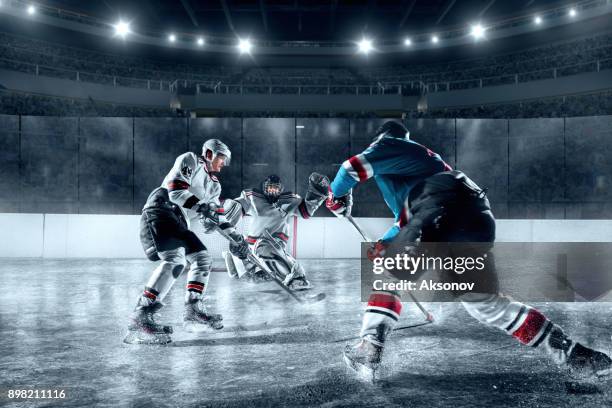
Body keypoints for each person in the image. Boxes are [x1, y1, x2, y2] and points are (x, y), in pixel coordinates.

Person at [327, 120, 611, 380]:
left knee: (387, 275)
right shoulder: (426, 167)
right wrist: (388, 247)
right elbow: (411, 222)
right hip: (472, 215)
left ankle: (369, 346)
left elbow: (350, 168)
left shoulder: (390, 143)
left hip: (438, 207)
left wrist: (337, 196)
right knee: (485, 304)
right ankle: (578, 356)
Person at [124, 139, 249, 344]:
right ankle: (142, 313)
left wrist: (236, 238)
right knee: (176, 260)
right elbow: (176, 191)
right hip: (161, 207)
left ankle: (193, 309)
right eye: (220, 158)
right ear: (209, 154)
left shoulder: (215, 186)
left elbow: (216, 217)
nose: (222, 164)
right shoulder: (190, 160)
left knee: (202, 259)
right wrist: (202, 207)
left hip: (180, 220)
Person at [222, 173, 329, 289]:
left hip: (273, 243)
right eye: (270, 188)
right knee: (236, 257)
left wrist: (317, 193)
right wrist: (225, 217)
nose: (272, 191)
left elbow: (306, 211)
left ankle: (297, 278)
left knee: (263, 246)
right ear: (264, 187)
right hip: (251, 247)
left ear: (281, 189)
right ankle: (263, 271)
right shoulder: (253, 197)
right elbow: (236, 206)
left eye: (275, 188)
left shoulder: (289, 199)